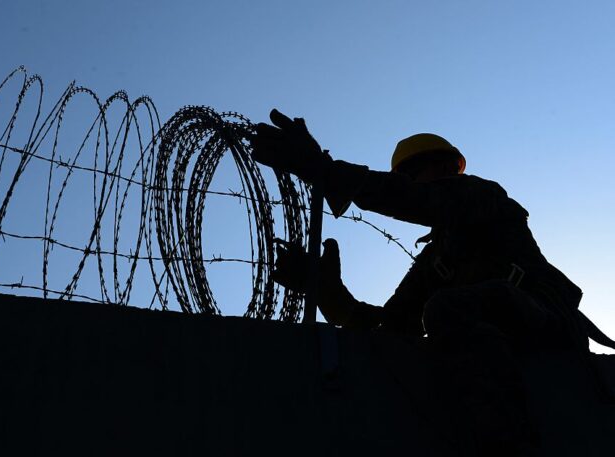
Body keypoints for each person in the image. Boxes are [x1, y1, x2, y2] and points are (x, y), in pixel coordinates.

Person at [251, 109, 612, 456]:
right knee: (434, 317)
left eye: (416, 174)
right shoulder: (435, 262)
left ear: (445, 167)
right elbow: (389, 326)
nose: (412, 183)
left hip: (545, 319)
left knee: (446, 308)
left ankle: (510, 446)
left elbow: (413, 199)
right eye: (406, 178)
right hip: (497, 332)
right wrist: (327, 290)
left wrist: (325, 170)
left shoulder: (482, 197)